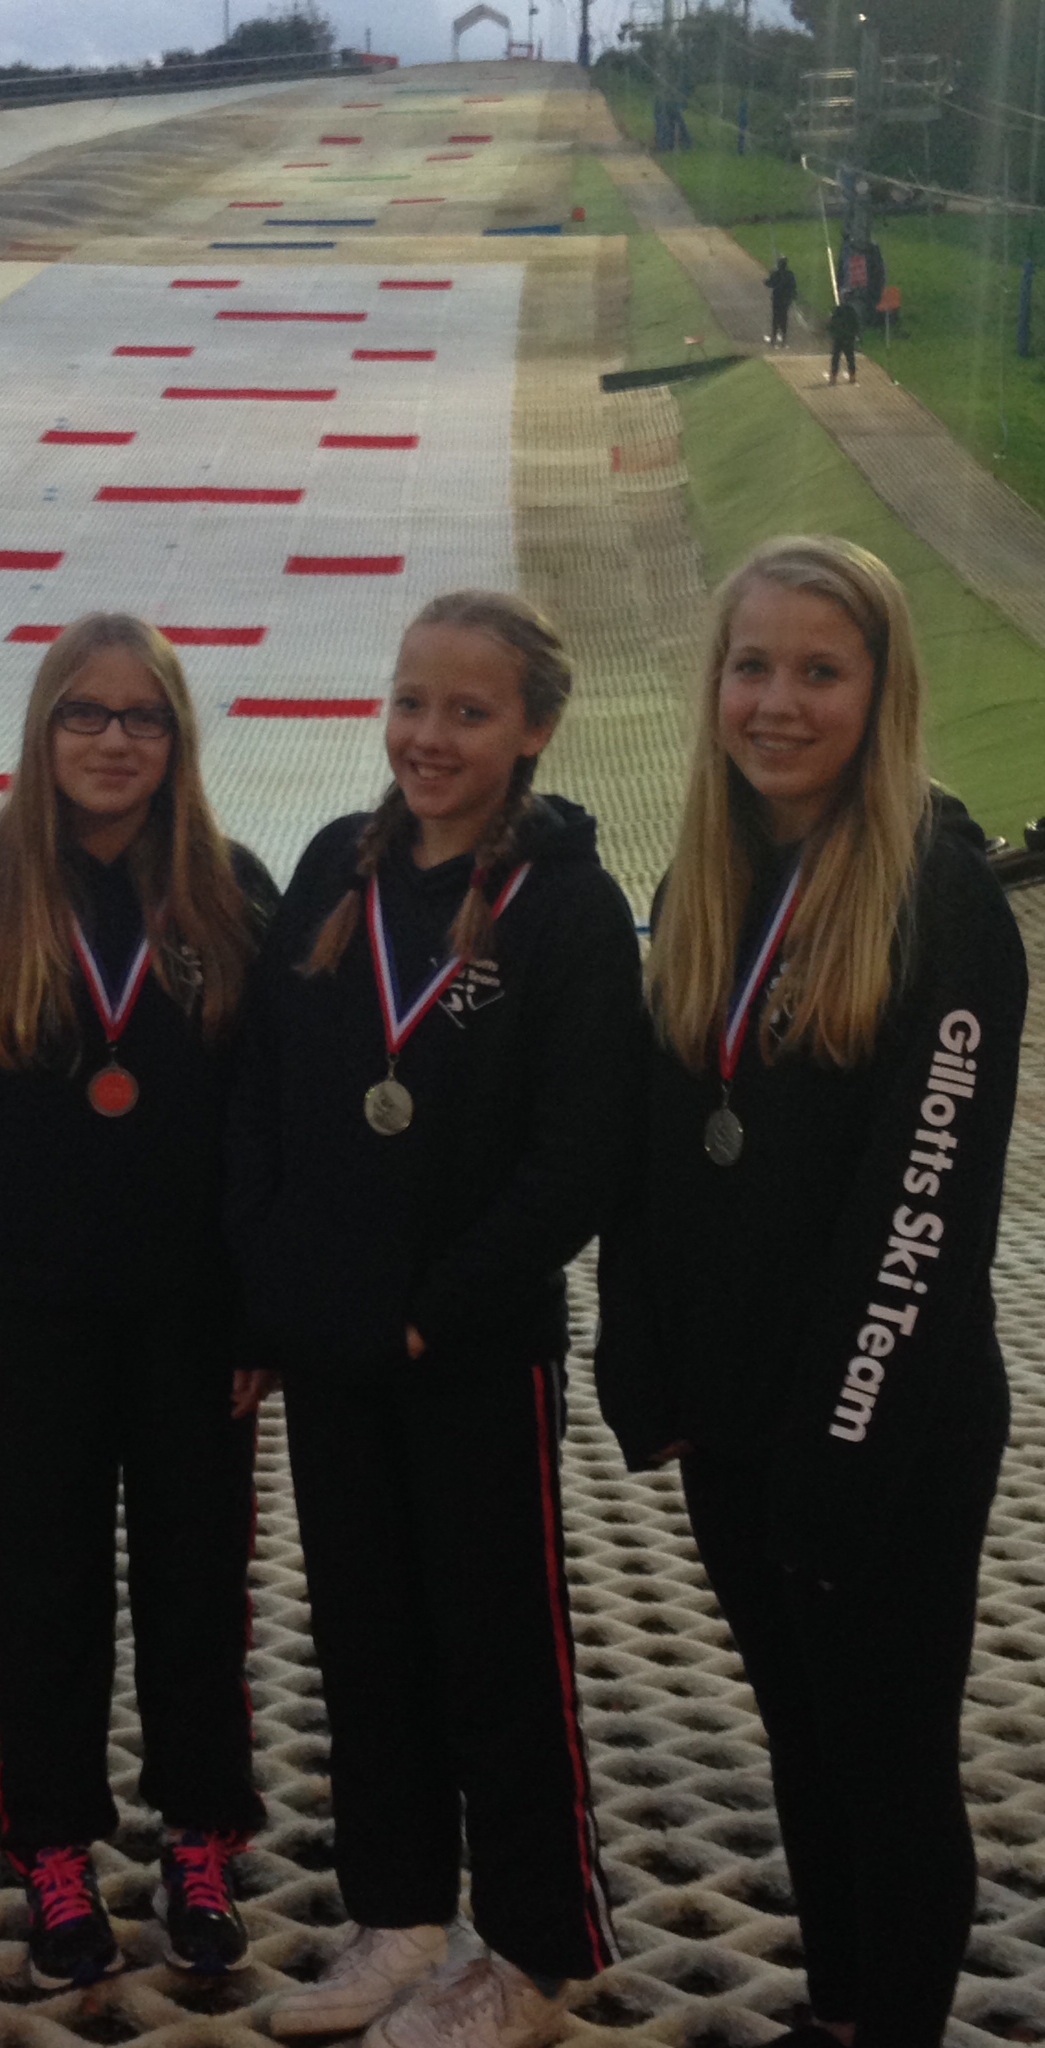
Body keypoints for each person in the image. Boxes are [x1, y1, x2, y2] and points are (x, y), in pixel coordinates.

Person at [596, 537, 1027, 2048]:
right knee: (801, 1739)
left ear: (882, 691)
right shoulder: (703, 881)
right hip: (735, 1423)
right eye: (752, 666)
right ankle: (840, 2013)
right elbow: (657, 1156)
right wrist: (644, 1363)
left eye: (819, 672)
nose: (777, 703)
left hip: (883, 1428)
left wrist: (839, 1453)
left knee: (886, 1758)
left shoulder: (945, 903)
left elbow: (923, 1220)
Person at [227, 591, 639, 2048]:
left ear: (534, 730)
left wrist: (433, 1314)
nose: (430, 737)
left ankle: (535, 1949)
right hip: (336, 1342)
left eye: (470, 711)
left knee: (497, 1653)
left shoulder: (570, 910)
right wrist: (277, 1291)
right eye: (412, 701)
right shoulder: (336, 864)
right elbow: (267, 1094)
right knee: (365, 1639)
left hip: (472, 1352)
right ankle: (398, 1913)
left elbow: (579, 1157)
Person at [0, 614, 276, 1990]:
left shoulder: (231, 891)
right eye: (86, 712)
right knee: (42, 1588)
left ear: (177, 738)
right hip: (32, 1314)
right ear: (44, 728)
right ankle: (52, 1842)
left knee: (199, 1584)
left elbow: (267, 1127)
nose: (115, 740)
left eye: (144, 717)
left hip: (195, 1319)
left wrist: (262, 1317)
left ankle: (200, 1833)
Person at [765, 255, 798, 347]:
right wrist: (793, 296)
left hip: (777, 299)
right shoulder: (790, 275)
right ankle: (783, 339)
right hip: (786, 300)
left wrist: (767, 280)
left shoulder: (776, 274)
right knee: (784, 319)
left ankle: (774, 338)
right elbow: (793, 287)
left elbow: (770, 284)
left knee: (776, 318)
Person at [827, 296, 860, 384]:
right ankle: (852, 376)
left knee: (836, 357)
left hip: (839, 337)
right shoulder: (852, 312)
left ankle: (833, 376)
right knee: (850, 357)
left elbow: (832, 324)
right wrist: (855, 334)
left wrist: (832, 333)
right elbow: (856, 324)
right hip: (848, 337)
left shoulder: (837, 311)